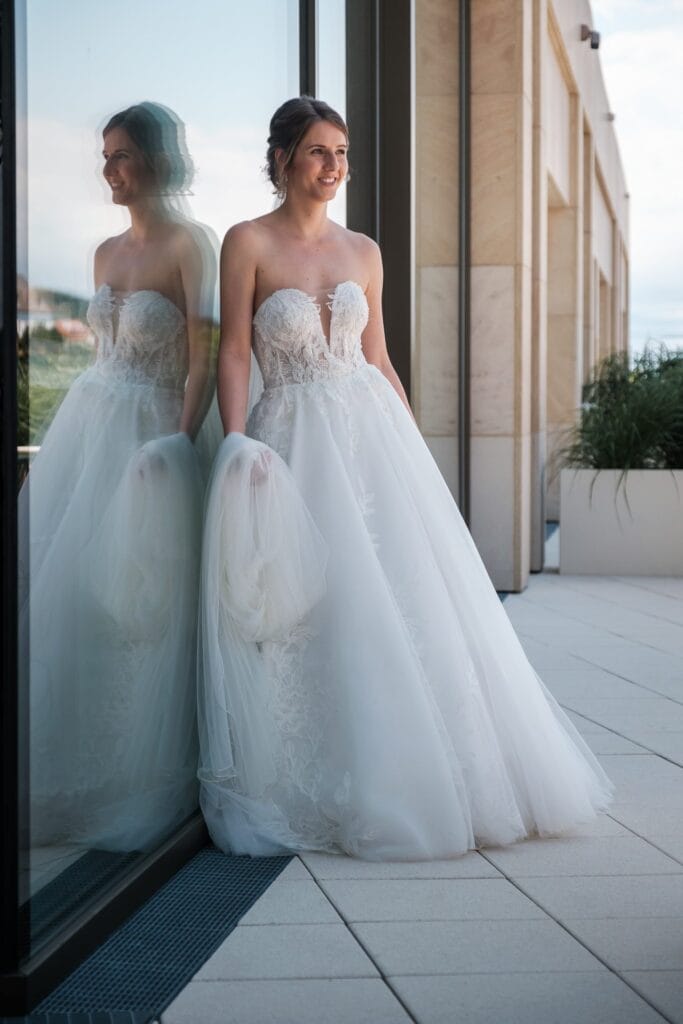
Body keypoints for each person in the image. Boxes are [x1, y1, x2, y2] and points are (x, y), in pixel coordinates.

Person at [198, 96, 614, 861]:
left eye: (344, 153)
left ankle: (438, 769)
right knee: (313, 603)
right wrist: (236, 448)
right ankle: (323, 770)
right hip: (289, 436)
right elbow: (232, 352)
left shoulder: (364, 250)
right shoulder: (246, 241)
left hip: (367, 433)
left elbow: (379, 358)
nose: (335, 167)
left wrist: (410, 449)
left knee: (400, 594)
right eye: (320, 151)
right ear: (285, 157)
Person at [23, 102, 216, 853]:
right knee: (80, 592)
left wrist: (174, 444)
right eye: (105, 157)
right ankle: (81, 762)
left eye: (123, 156)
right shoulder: (104, 253)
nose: (111, 170)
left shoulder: (189, 243)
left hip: (155, 436)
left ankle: (154, 768)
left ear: (157, 160)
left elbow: (204, 354)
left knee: (148, 599)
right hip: (94, 428)